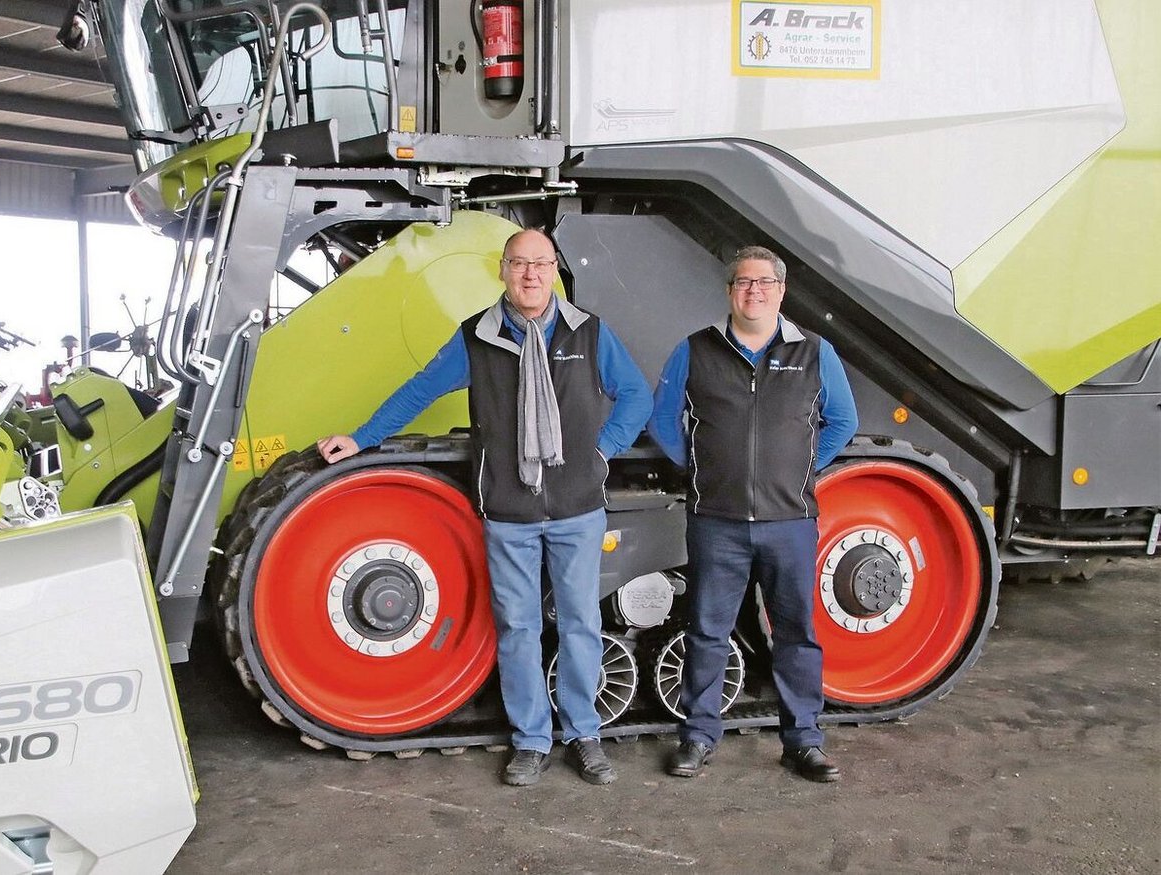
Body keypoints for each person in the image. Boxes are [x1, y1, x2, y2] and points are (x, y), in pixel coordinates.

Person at [317, 229, 652, 787]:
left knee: (580, 624)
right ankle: (531, 742)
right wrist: (363, 436)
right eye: (519, 264)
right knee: (518, 628)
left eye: (541, 264)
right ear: (502, 271)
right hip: (509, 510)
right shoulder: (478, 337)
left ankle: (585, 736)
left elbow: (636, 394)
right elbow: (420, 390)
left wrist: (602, 451)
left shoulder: (589, 333)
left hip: (577, 508)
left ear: (555, 272)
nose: (530, 275)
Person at [648, 245, 858, 783]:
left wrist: (801, 470)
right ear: (729, 291)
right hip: (716, 520)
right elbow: (664, 422)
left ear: (781, 290)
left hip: (789, 522)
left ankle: (803, 742)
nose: (754, 291)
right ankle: (697, 737)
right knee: (707, 632)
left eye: (764, 282)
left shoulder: (815, 352)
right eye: (743, 282)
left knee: (796, 634)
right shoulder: (694, 351)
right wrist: (702, 468)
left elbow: (841, 421)